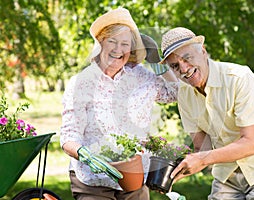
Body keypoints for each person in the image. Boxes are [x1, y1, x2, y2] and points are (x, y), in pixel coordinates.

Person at [158, 27, 254, 199]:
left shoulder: (239, 78)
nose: (184, 69)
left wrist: (203, 159)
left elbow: (251, 143)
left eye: (187, 58)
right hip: (227, 174)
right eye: (175, 66)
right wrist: (174, 170)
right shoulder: (184, 95)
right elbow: (203, 148)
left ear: (203, 52)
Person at [60, 8, 178, 200]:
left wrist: (158, 63)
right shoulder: (81, 83)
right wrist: (86, 155)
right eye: (112, 42)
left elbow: (177, 92)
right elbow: (68, 135)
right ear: (99, 44)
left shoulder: (141, 77)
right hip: (93, 180)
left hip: (134, 178)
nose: (118, 49)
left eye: (125, 44)